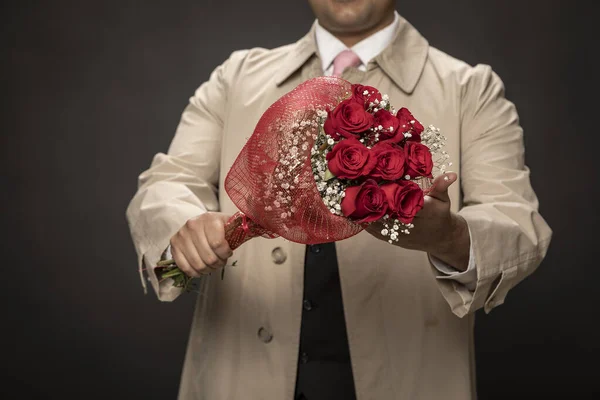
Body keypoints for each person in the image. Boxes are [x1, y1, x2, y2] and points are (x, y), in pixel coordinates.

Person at [126, 1, 552, 398]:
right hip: (239, 377)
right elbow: (167, 182)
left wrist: (450, 237)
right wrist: (185, 227)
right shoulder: (236, 77)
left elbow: (517, 225)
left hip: (411, 380)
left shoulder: (470, 89)